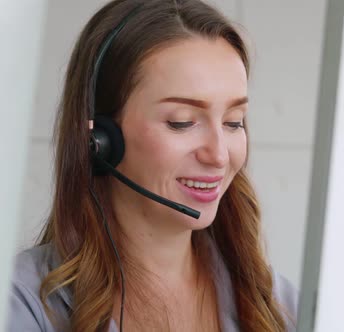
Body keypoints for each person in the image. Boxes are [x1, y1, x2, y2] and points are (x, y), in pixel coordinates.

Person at [7, 0, 298, 331]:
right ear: (100, 139)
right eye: (181, 122)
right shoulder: (21, 302)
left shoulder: (280, 305)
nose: (218, 155)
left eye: (234, 122)